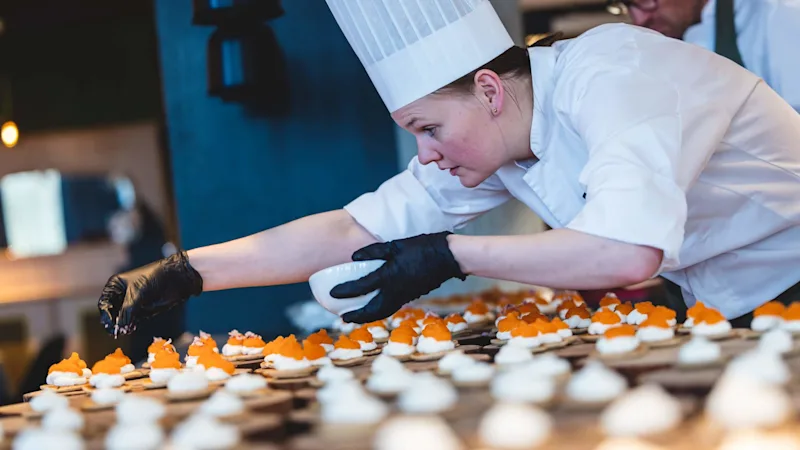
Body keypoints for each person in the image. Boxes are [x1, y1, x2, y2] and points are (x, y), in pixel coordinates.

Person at [98, 0, 800, 336]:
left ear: (489, 91)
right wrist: (187, 271)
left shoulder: (613, 70)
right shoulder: (495, 141)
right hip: (737, 311)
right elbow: (353, 229)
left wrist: (451, 253)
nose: (425, 154)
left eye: (428, 130)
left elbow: (627, 252)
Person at [611, 0, 800, 112]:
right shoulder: (678, 40)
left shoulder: (782, 14)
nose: (640, 19)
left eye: (646, 1)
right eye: (627, 5)